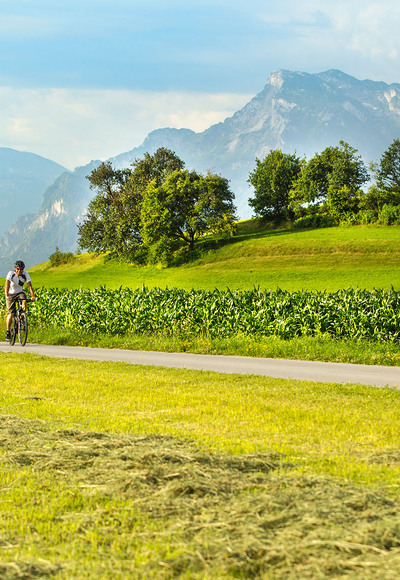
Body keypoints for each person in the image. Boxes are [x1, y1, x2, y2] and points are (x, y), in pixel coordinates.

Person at [4, 260, 36, 340]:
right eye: (18, 269)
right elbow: (7, 284)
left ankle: (22, 316)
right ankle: (8, 331)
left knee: (24, 299)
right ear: (15, 268)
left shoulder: (25, 275)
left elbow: (29, 286)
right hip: (11, 294)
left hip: (19, 293)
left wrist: (32, 296)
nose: (19, 271)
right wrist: (7, 295)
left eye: (21, 269)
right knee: (11, 313)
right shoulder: (11, 274)